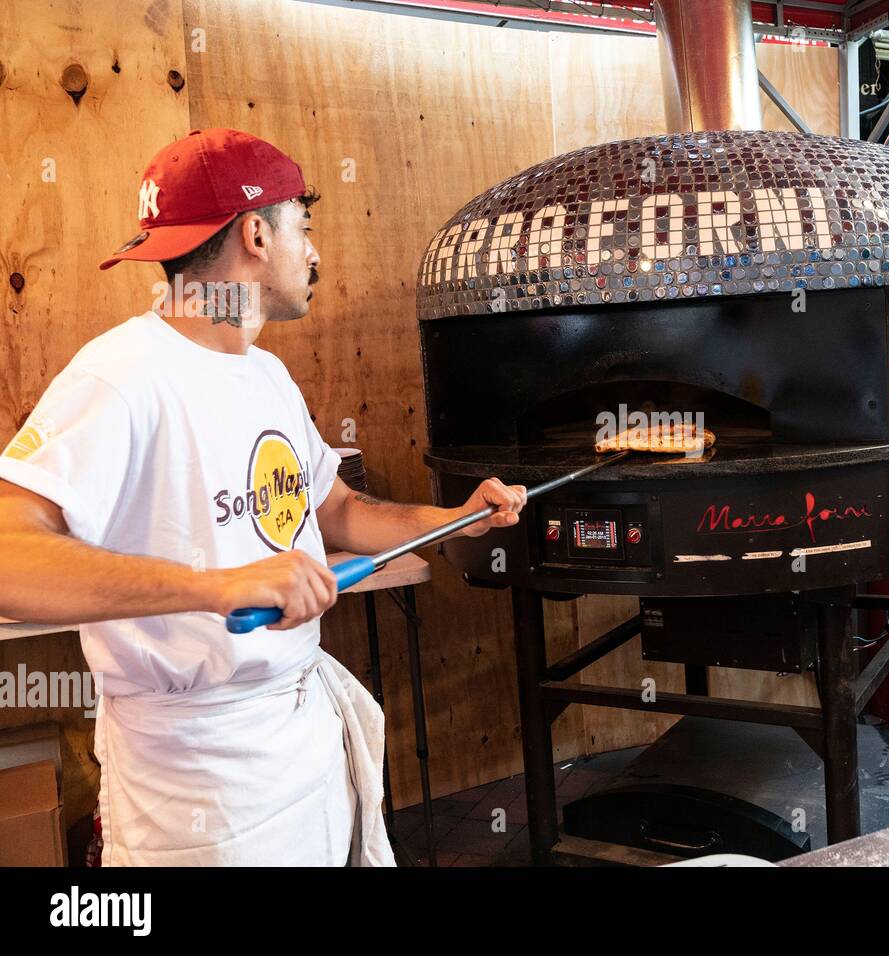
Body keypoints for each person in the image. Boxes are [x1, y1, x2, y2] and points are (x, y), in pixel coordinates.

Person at [0, 128, 527, 866]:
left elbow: (337, 511)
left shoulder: (266, 376)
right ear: (255, 232)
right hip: (198, 786)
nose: (311, 252)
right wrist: (215, 588)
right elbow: (8, 561)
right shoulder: (120, 376)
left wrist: (455, 520)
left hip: (299, 741)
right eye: (302, 227)